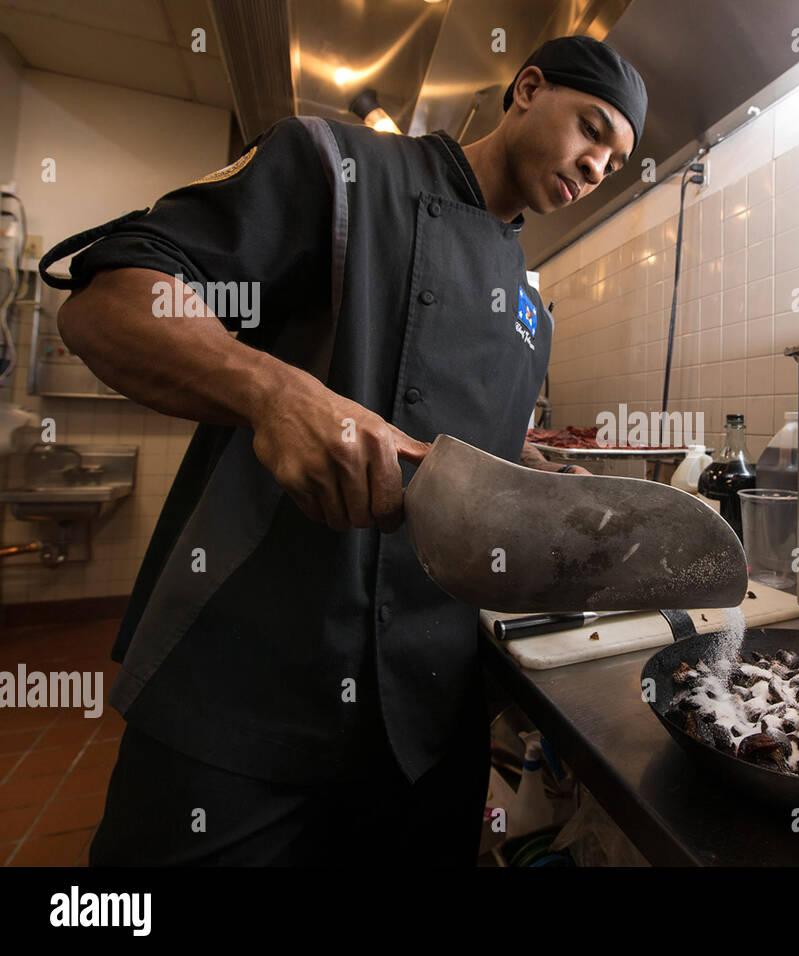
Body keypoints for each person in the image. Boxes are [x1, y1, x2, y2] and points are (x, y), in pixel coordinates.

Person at [40, 34, 647, 866]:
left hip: (425, 722)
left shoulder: (531, 318)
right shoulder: (337, 172)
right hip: (251, 690)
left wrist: (529, 473)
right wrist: (273, 392)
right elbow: (108, 302)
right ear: (527, 89)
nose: (594, 165)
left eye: (615, 160)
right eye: (591, 128)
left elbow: (462, 463)